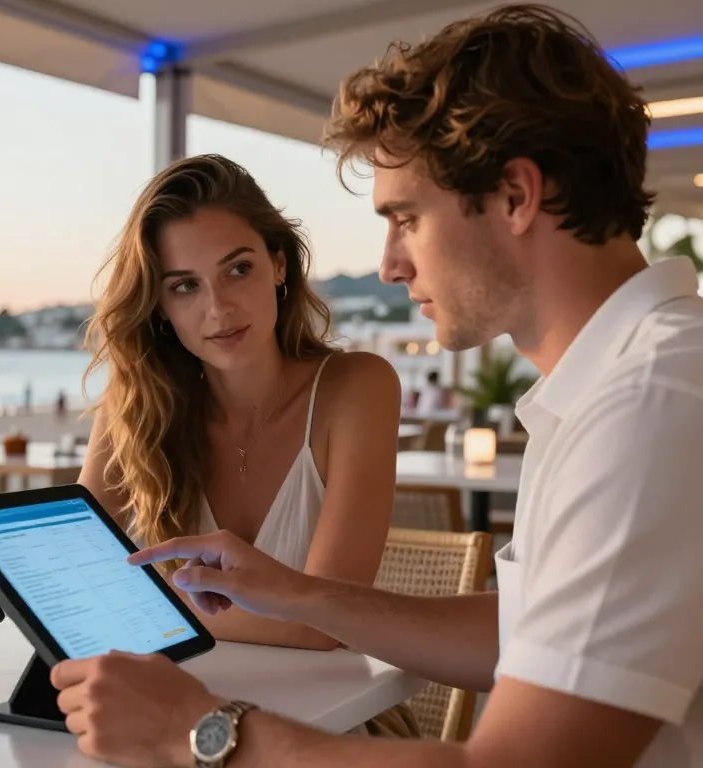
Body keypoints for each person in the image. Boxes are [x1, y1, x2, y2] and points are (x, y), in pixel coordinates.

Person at [50, 6, 703, 768]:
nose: (390, 265)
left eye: (406, 218)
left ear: (517, 197)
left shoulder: (650, 403)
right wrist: (302, 595)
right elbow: (525, 628)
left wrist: (198, 732)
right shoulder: (618, 386)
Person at [77, 155, 406, 730]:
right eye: (185, 286)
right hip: (176, 715)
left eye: (238, 270)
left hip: (332, 730)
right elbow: (76, 571)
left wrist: (135, 604)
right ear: (160, 308)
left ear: (279, 265)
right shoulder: (134, 410)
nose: (218, 308)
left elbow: (325, 623)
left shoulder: (357, 388)